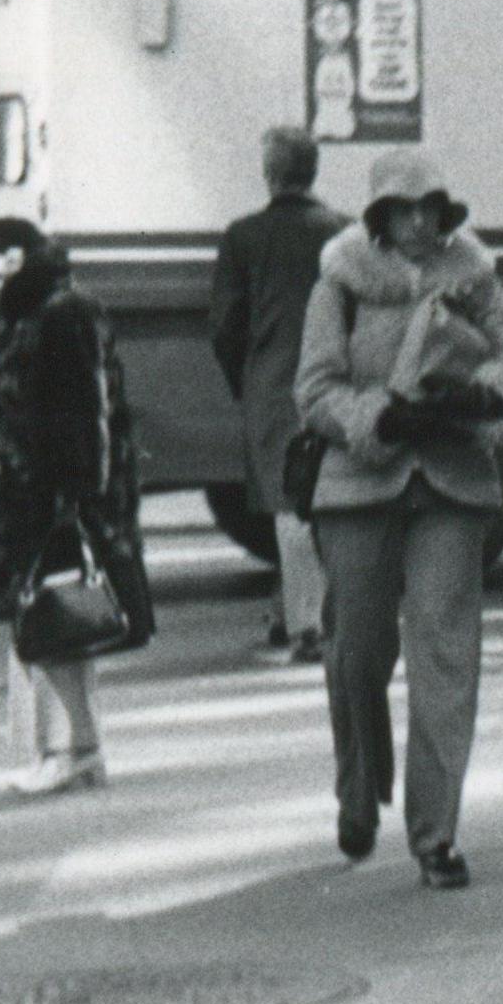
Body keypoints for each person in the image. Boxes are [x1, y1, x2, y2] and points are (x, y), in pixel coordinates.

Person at [295, 151, 503, 888]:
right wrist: (382, 416)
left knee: (446, 655)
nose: (419, 222)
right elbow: (313, 390)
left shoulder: (472, 276)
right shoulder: (339, 281)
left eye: (431, 208)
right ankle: (356, 791)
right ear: (377, 219)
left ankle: (435, 835)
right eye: (404, 210)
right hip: (360, 483)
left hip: (451, 482)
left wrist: (482, 400)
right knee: (357, 653)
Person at [0, 215, 152, 798]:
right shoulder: (35, 312)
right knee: (50, 628)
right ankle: (67, 748)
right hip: (38, 493)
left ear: (21, 263)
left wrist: (74, 501)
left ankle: (75, 749)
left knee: (56, 628)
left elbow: (83, 416)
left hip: (53, 498)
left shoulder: (60, 313)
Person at [208, 124, 346, 663]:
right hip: (332, 378)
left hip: (270, 382)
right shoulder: (344, 233)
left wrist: (244, 376)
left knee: (288, 504)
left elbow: (225, 325)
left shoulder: (242, 237)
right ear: (312, 172)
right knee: (330, 497)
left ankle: (306, 628)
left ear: (269, 174)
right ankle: (306, 612)